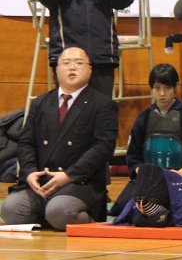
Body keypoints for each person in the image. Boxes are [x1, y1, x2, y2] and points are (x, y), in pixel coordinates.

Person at [1, 47, 118, 230]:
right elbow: (26, 142)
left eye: (79, 63)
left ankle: (86, 220)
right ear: (56, 69)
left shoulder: (102, 104)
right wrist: (30, 172)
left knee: (60, 211)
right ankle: (45, 214)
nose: (72, 67)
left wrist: (68, 175)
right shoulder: (40, 103)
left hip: (80, 182)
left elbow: (103, 147)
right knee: (11, 210)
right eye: (66, 63)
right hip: (42, 182)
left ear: (89, 69)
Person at [109, 64, 182, 216]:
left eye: (167, 88)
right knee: (120, 209)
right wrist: (143, 173)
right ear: (151, 89)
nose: (162, 93)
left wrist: (181, 172)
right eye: (157, 88)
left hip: (180, 176)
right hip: (149, 177)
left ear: (175, 88)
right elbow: (133, 156)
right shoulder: (143, 118)